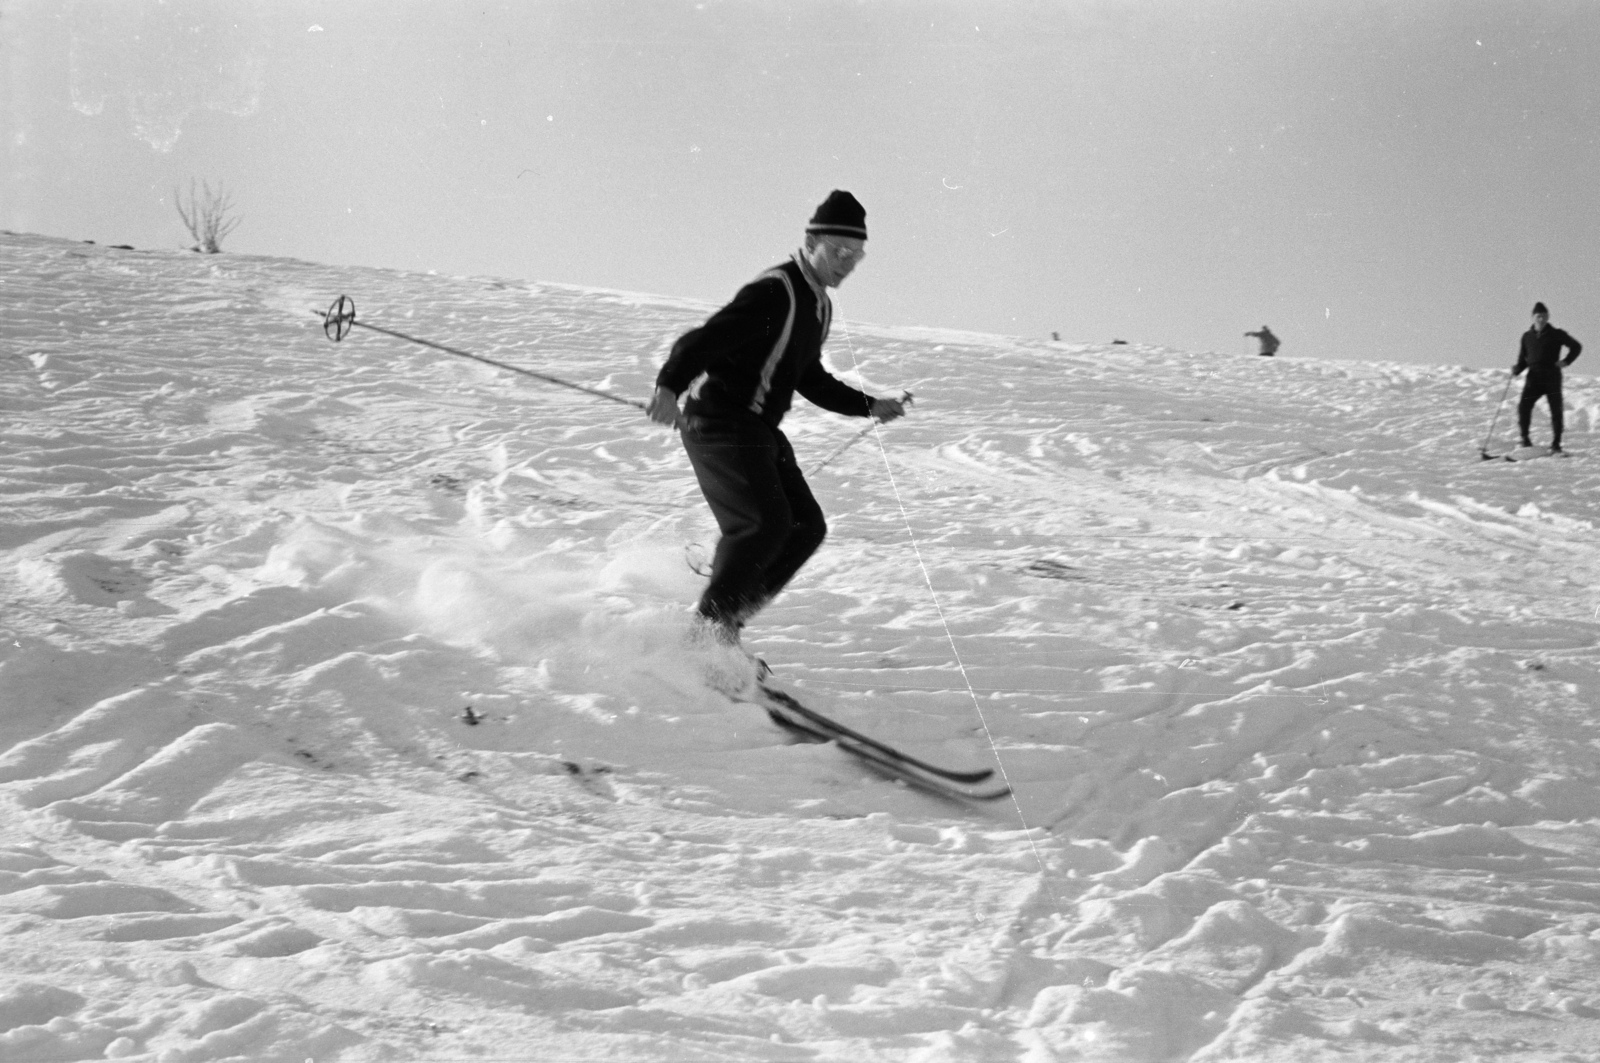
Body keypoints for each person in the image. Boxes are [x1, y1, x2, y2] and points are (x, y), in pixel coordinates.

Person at [647, 190, 907, 645]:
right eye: (839, 251)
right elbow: (704, 340)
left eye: (857, 255)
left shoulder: (818, 305)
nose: (847, 262)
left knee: (807, 527)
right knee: (763, 526)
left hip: (757, 430)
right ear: (811, 242)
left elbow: (809, 376)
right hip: (720, 422)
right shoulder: (777, 290)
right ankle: (706, 637)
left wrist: (869, 404)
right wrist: (668, 387)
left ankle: (725, 626)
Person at [1513, 301, 1582, 452]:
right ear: (1533, 318)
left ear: (1548, 317)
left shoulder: (1557, 334)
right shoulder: (1527, 337)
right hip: (1534, 378)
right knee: (1524, 406)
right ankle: (1525, 439)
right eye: (1538, 316)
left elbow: (1576, 347)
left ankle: (1556, 443)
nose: (1541, 319)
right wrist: (1517, 369)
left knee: (1555, 410)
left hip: (1552, 376)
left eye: (1544, 316)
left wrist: (1566, 361)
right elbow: (1524, 360)